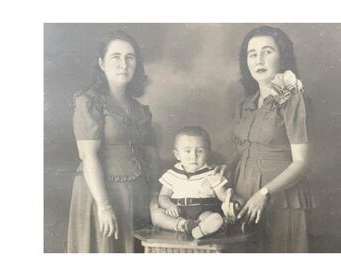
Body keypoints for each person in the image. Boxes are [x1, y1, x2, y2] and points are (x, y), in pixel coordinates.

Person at [67, 30, 160, 253]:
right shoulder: (89, 101)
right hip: (100, 195)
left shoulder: (140, 109)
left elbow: (152, 157)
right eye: (115, 57)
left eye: (130, 57)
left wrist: (155, 197)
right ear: (101, 63)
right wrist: (104, 206)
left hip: (137, 199)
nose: (123, 64)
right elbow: (88, 155)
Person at [233, 25, 316, 252]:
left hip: (283, 201)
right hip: (246, 200)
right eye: (252, 54)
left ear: (283, 57)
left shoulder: (294, 98)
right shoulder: (246, 104)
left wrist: (264, 193)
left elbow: (302, 162)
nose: (258, 59)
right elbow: (243, 154)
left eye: (267, 51)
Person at [151, 126, 241, 239]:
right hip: (179, 212)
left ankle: (202, 228)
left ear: (208, 153)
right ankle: (184, 226)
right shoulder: (172, 174)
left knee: (213, 217)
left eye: (199, 151)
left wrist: (231, 200)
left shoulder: (212, 173)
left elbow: (223, 195)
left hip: (203, 210)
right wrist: (170, 206)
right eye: (187, 151)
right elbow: (163, 196)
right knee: (157, 215)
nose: (193, 156)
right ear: (177, 155)